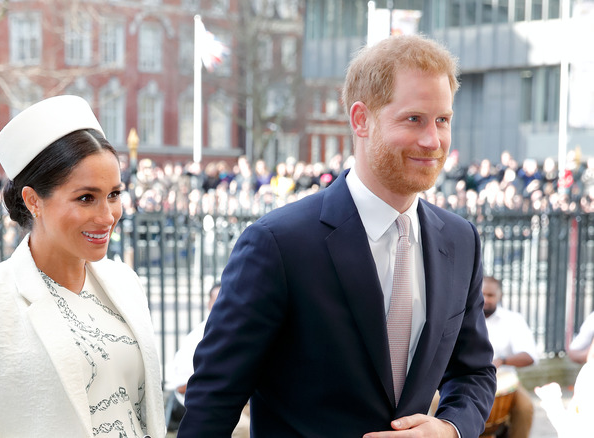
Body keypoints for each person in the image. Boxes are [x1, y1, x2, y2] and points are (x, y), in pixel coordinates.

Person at [177, 34, 496, 437]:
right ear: (361, 119)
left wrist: (450, 428)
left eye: (443, 120)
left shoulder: (460, 239)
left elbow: (475, 371)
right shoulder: (278, 243)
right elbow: (214, 399)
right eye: (414, 119)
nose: (433, 140)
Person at [0, 95, 166, 437]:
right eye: (86, 198)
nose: (107, 215)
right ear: (33, 200)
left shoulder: (125, 282)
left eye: (114, 194)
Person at [165, 283, 250, 437]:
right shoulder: (196, 337)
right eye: (217, 300)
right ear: (209, 304)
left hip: (240, 400)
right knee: (244, 429)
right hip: (211, 401)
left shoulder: (241, 330)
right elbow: (181, 387)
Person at [482, 276, 538, 438]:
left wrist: (502, 361)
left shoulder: (513, 320)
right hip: (466, 378)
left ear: (499, 296)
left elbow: (529, 356)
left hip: (504, 382)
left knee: (525, 408)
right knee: (438, 401)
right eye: (482, 294)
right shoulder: (464, 317)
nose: (485, 299)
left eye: (490, 295)